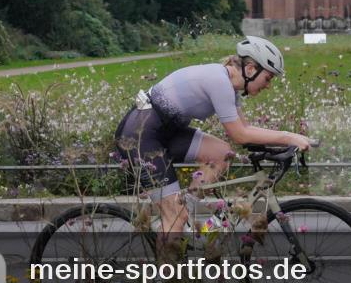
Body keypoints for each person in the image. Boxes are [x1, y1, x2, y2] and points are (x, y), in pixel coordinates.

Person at [113, 36, 312, 257]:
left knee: (221, 153)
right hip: (140, 137)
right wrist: (290, 137)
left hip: (165, 132)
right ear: (250, 69)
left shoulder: (230, 87)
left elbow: (246, 129)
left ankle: (189, 211)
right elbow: (240, 135)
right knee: (175, 218)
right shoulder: (219, 82)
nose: (268, 85)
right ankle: (167, 276)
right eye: (268, 78)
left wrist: (285, 142)